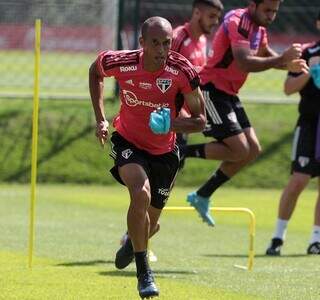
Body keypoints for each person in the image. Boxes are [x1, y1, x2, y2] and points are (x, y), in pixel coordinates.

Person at [89, 17, 206, 299]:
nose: (162, 49)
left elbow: (201, 121)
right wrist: (101, 119)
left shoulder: (182, 71)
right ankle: (144, 274)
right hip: (128, 141)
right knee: (139, 194)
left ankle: (133, 244)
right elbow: (95, 71)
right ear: (142, 43)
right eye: (155, 43)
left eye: (166, 43)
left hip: (165, 152)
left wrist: (172, 125)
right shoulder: (124, 61)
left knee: (151, 224)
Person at [181, 0, 309, 227]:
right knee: (239, 149)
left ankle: (202, 195)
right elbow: (244, 62)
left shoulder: (259, 27)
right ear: (252, 5)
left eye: (275, 12)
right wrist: (282, 59)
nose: (271, 16)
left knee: (252, 150)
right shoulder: (237, 21)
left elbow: (264, 53)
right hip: (211, 89)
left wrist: (287, 65)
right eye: (267, 10)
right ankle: (180, 151)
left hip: (228, 94)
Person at [266, 12, 320, 256]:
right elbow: (288, 88)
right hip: (309, 124)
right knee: (299, 179)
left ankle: (316, 239)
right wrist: (311, 72)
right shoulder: (307, 53)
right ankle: (278, 237)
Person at [172, 0, 223, 170]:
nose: (216, 22)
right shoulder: (177, 38)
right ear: (196, 13)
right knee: (161, 174)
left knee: (172, 172)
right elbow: (161, 77)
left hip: (187, 117)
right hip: (172, 116)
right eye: (211, 16)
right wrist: (180, 111)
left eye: (217, 17)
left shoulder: (202, 41)